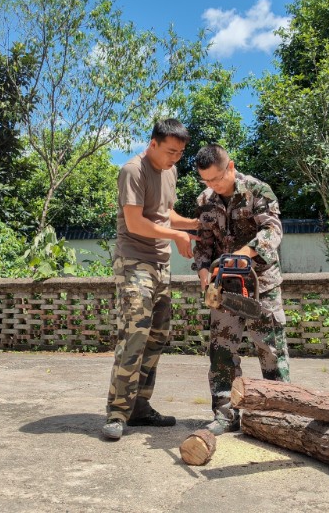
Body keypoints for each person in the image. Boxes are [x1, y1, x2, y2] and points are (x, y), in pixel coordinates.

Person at [102, 119, 199, 441]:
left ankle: (140, 407)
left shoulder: (170, 171)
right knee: (134, 335)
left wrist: (197, 224)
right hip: (134, 262)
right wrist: (177, 235)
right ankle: (117, 412)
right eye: (171, 151)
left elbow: (165, 213)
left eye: (181, 153)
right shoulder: (133, 170)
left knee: (158, 336)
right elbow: (135, 222)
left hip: (162, 265)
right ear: (153, 144)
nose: (175, 158)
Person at [192, 144, 290, 435]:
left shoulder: (258, 191)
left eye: (217, 179)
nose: (212, 185)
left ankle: (279, 414)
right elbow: (203, 244)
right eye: (205, 180)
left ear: (230, 167)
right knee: (222, 350)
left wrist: (244, 253)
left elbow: (273, 231)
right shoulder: (205, 201)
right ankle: (225, 414)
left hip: (261, 284)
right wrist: (203, 270)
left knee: (269, 348)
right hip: (224, 287)